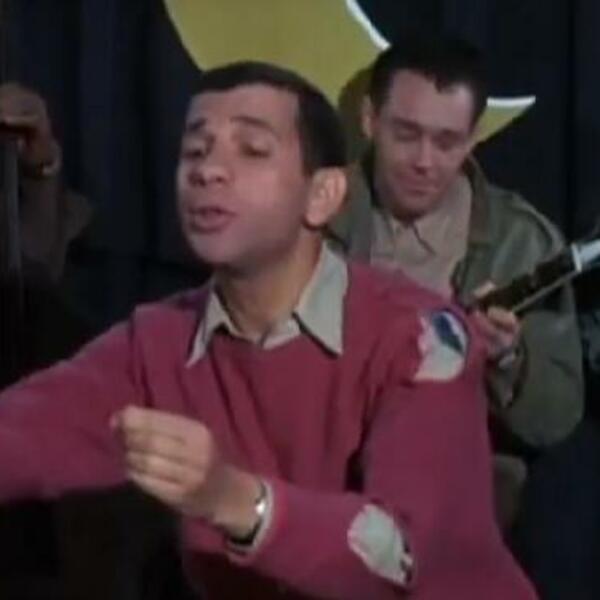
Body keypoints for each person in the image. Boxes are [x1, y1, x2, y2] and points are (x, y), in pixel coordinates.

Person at [0, 61, 535, 599]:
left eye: (252, 150)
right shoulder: (157, 340)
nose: (209, 171)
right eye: (195, 150)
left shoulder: (421, 337)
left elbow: (399, 554)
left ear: (323, 195)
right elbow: (21, 435)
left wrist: (234, 500)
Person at [329, 32, 583, 528]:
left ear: (472, 138)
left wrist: (508, 360)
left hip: (462, 504)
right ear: (370, 120)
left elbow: (556, 419)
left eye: (447, 142)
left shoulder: (521, 242)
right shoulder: (314, 215)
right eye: (406, 135)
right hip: (323, 482)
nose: (424, 161)